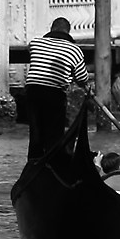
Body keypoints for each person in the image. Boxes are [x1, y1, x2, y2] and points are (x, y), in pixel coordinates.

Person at [24, 16, 88, 160]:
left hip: (32, 91)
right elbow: (82, 78)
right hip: (54, 92)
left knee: (35, 132)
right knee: (54, 134)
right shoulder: (74, 50)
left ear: (51, 29)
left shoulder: (35, 43)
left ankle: (34, 162)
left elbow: (36, 56)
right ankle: (52, 163)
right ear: (68, 32)